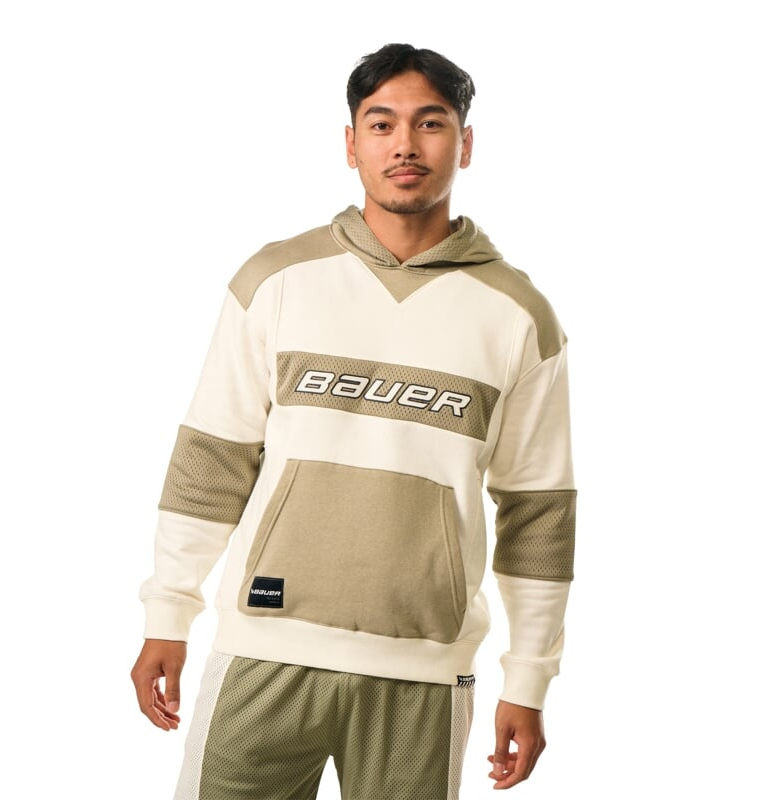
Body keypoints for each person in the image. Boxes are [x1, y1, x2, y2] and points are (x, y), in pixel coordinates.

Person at [131, 43, 576, 800]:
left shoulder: (518, 316)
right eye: (381, 124)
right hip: (262, 654)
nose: (405, 144)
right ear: (351, 143)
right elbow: (212, 460)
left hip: (425, 674)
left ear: (465, 143)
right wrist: (168, 611)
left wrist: (528, 679)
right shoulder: (276, 280)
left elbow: (539, 512)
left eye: (430, 123)